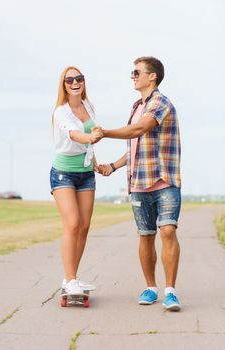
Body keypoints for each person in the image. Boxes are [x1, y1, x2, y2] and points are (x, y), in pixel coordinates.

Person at [92, 56, 182, 311]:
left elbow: (138, 130)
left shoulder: (160, 102)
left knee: (167, 231)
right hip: (139, 182)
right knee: (146, 236)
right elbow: (134, 145)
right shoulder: (135, 106)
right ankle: (151, 288)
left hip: (164, 180)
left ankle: (171, 291)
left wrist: (105, 132)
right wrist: (113, 166)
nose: (132, 76)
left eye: (136, 72)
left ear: (152, 76)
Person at [50, 66, 102, 296]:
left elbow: (87, 142)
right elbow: (75, 135)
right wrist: (90, 136)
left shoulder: (89, 105)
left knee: (84, 226)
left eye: (78, 79)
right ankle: (70, 279)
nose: (74, 82)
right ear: (63, 85)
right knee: (72, 224)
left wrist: (95, 161)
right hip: (64, 172)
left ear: (83, 82)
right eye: (69, 80)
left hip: (86, 171)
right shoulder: (61, 112)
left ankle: (71, 278)